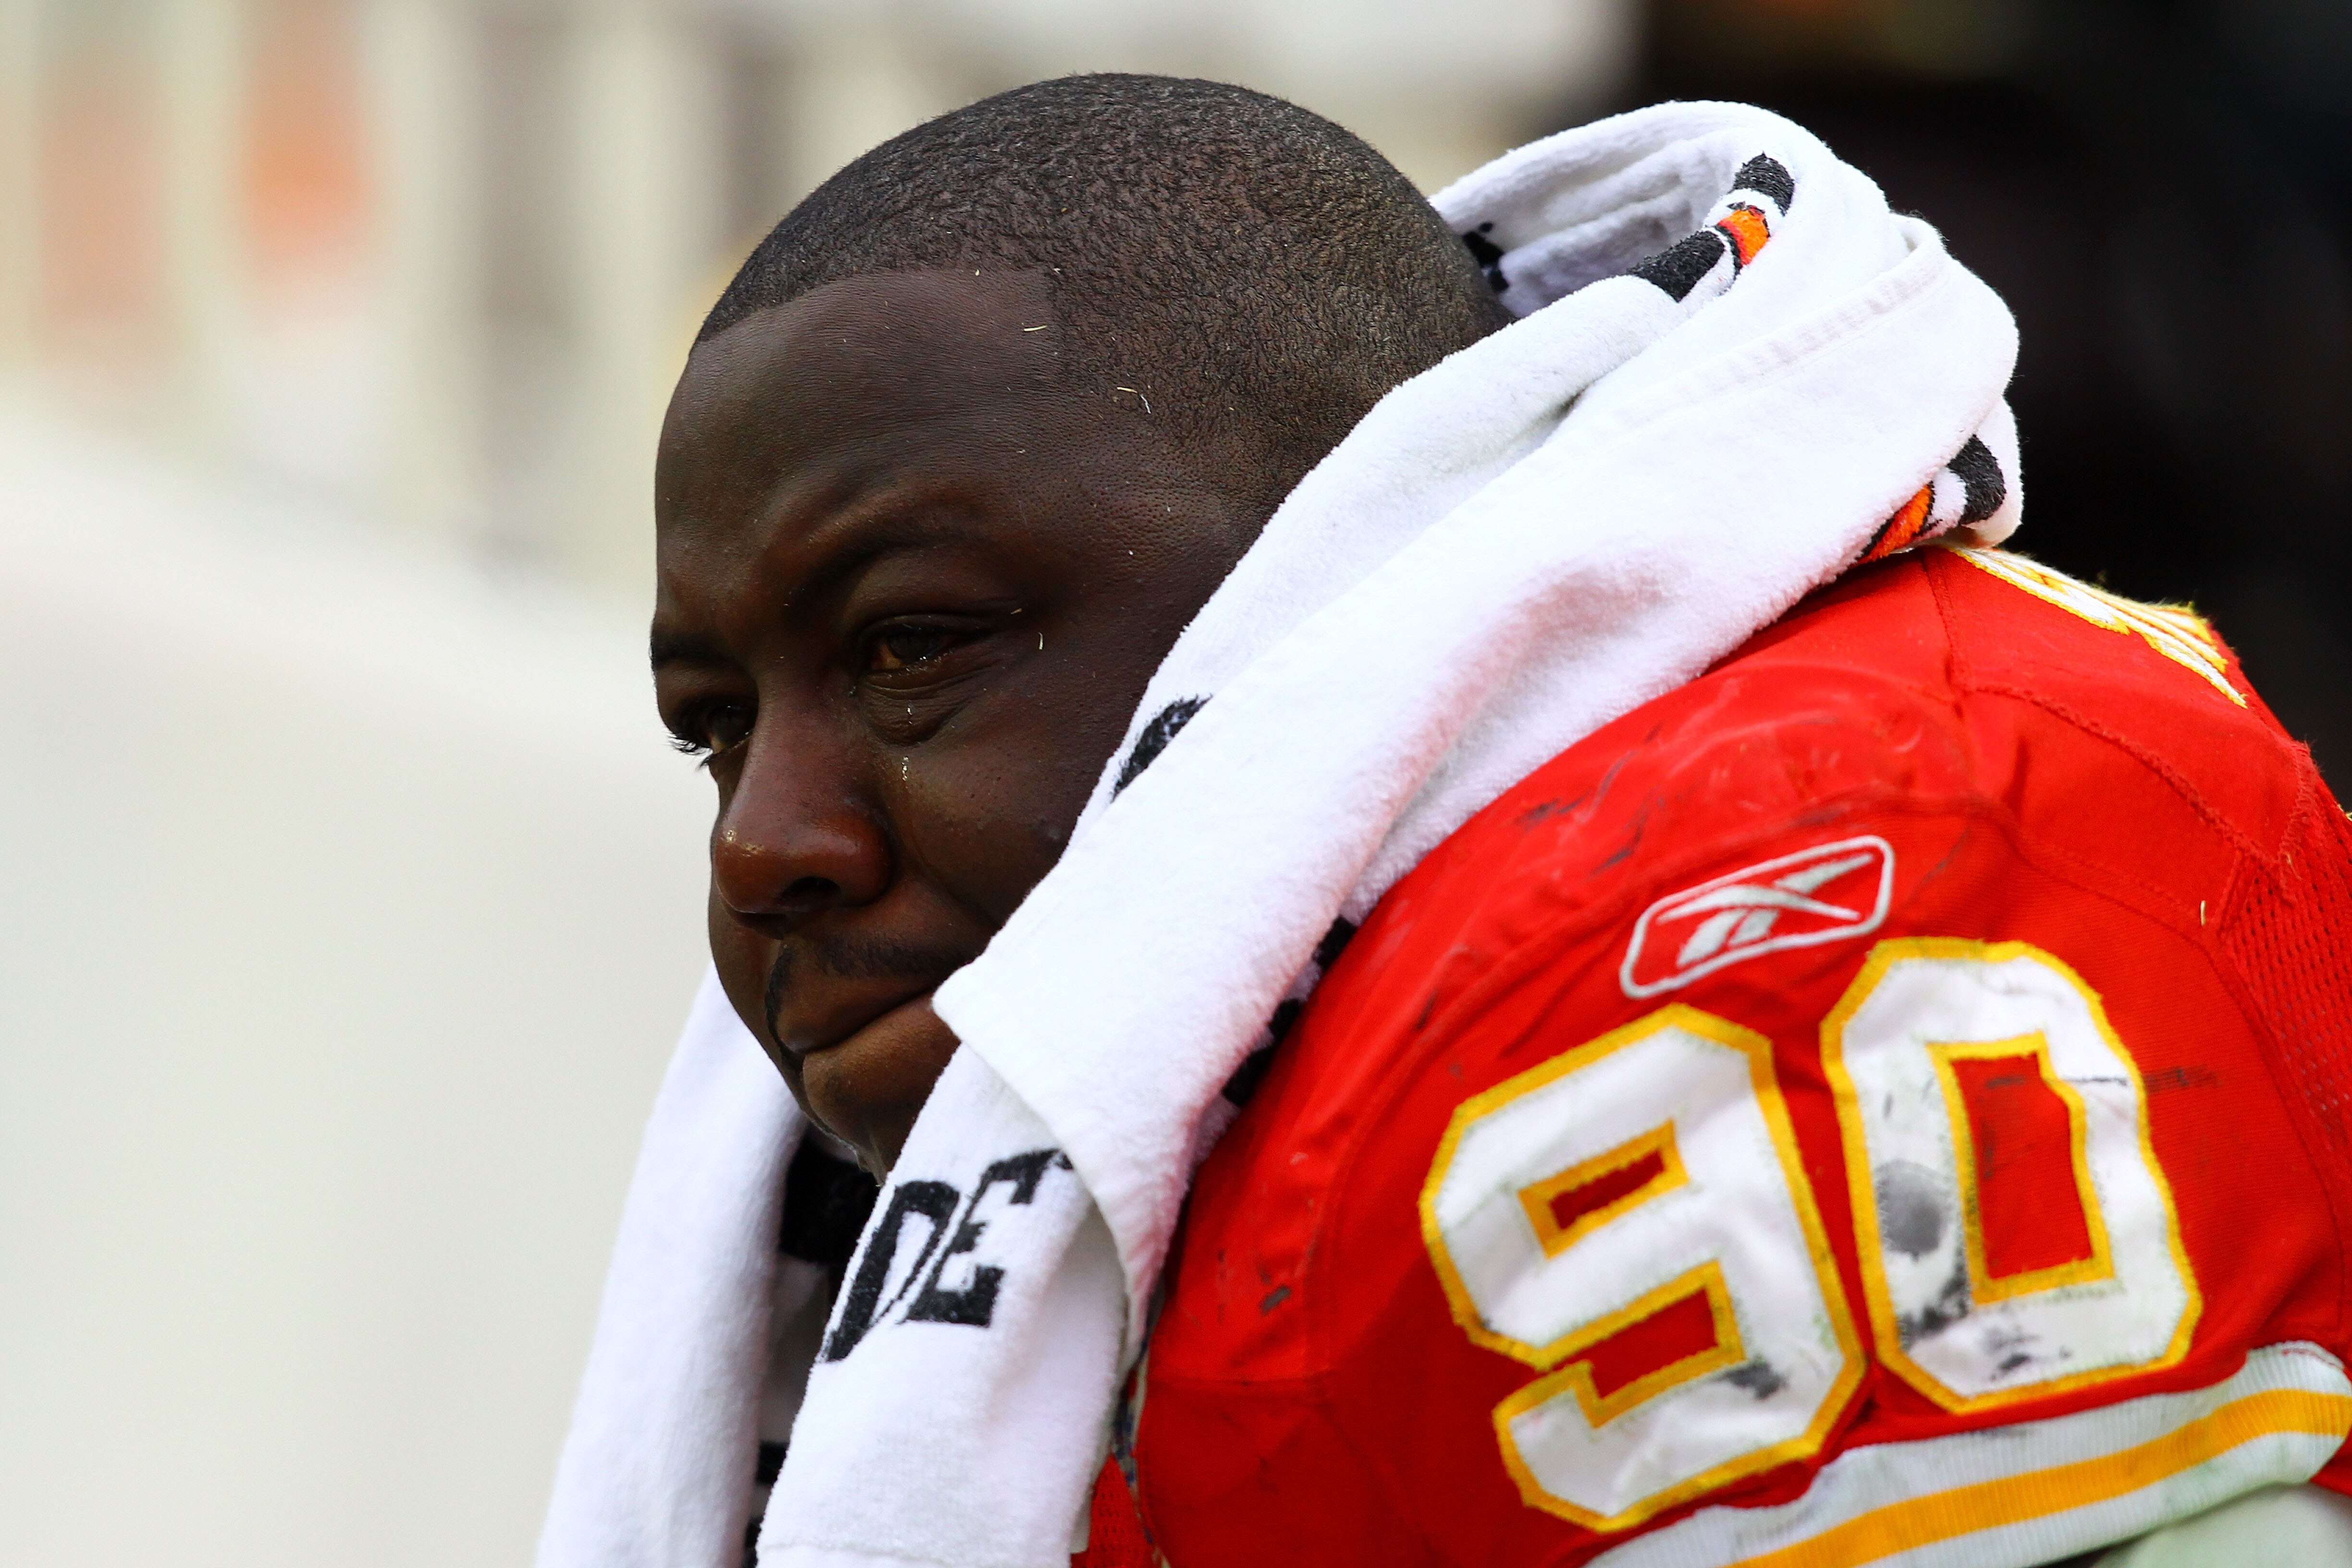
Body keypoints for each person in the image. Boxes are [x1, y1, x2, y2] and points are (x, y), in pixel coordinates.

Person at [554, 74, 2352, 1568]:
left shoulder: (1788, 912)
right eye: (715, 734)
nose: (761, 843)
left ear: (1366, 552)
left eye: (915, 649)